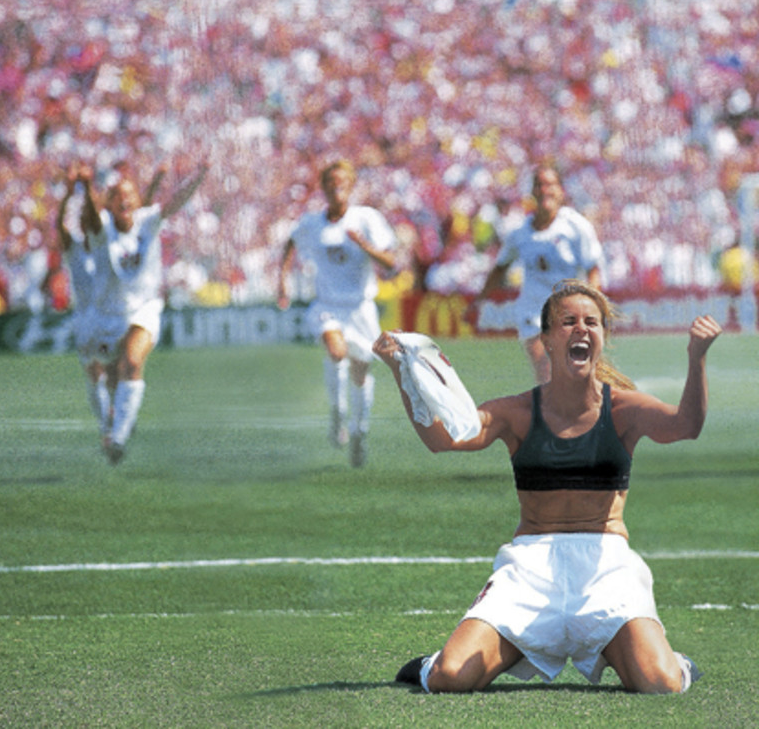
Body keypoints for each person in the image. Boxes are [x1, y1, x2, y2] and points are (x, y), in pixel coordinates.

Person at [375, 279, 721, 694]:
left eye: (591, 322)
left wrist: (696, 356)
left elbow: (686, 425)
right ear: (546, 340)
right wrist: (401, 371)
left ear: (603, 336)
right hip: (530, 570)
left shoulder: (625, 408)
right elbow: (443, 439)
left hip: (606, 567)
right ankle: (489, 649)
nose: (581, 329)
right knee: (450, 677)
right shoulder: (517, 411)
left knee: (661, 682)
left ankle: (672, 660)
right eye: (568, 322)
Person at [81, 159, 208, 463]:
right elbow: (89, 216)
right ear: (109, 205)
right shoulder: (102, 229)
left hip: (145, 309)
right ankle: (117, 420)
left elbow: (174, 202)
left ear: (137, 201)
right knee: (110, 378)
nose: (124, 198)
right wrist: (85, 187)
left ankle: (118, 439)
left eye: (129, 193)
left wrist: (197, 176)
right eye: (116, 195)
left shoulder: (148, 219)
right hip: (109, 316)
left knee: (132, 362)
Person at [276, 159, 398, 468]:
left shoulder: (366, 218)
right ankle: (337, 413)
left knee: (361, 372)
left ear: (351, 184)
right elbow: (291, 243)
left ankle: (359, 431)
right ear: (324, 188)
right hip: (328, 306)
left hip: (360, 308)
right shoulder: (313, 223)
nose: (336, 188)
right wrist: (283, 281)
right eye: (330, 183)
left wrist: (364, 245)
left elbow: (390, 262)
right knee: (336, 350)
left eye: (342, 182)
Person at [474, 165, 603, 383]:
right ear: (532, 192)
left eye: (550, 184)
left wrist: (594, 308)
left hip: (570, 311)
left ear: (561, 191)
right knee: (545, 369)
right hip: (534, 312)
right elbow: (500, 268)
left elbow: (593, 269)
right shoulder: (520, 233)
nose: (545, 190)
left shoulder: (576, 227)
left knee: (579, 375)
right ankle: (552, 415)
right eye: (539, 185)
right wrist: (480, 300)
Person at [56, 163, 109, 444]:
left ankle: (116, 418)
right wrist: (67, 193)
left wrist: (87, 187)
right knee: (93, 374)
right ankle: (107, 427)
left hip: (110, 315)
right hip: (85, 319)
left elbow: (97, 212)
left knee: (112, 373)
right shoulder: (74, 246)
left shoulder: (104, 245)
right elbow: (59, 224)